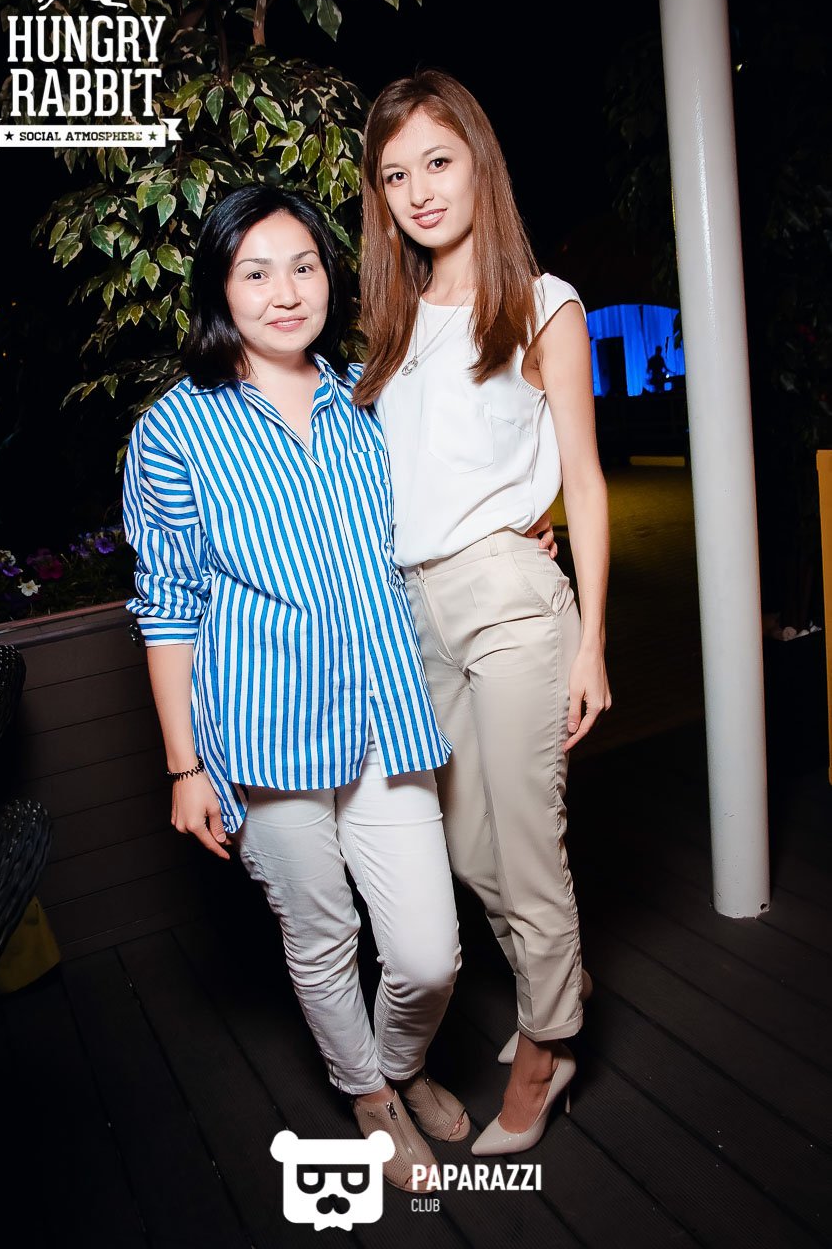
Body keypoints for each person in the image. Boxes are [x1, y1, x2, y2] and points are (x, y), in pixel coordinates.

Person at [122, 184, 469, 1191]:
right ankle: (369, 1095)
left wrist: (517, 527)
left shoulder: (368, 399)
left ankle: (399, 1064)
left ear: (329, 275)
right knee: (322, 938)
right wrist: (184, 765)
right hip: (265, 737)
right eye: (256, 272)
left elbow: (438, 507)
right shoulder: (175, 431)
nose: (285, 293)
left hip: (381, 717)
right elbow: (168, 606)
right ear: (219, 289)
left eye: (304, 266)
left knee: (429, 955)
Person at [354, 70, 611, 1156]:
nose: (418, 190)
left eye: (437, 161)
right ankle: (562, 980)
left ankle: (546, 1046)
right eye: (394, 175)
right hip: (415, 612)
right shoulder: (389, 326)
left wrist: (591, 643)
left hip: (509, 598)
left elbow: (583, 481)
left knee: (529, 842)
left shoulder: (543, 303)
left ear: (478, 164)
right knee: (466, 848)